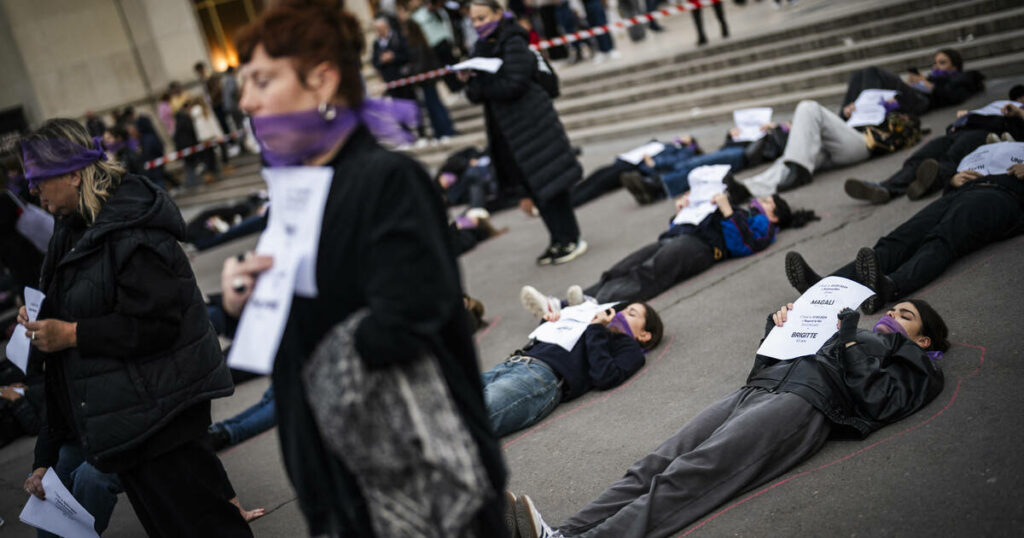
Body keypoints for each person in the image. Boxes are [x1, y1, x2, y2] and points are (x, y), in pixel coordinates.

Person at [227, 1, 508, 535]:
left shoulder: (387, 180)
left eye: (262, 81)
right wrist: (245, 304)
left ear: (323, 81)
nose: (245, 102)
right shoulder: (295, 194)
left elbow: (403, 322)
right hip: (338, 491)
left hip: (424, 491)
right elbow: (286, 346)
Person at [511, 298, 949, 538]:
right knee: (654, 465)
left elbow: (880, 400)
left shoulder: (914, 361)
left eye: (904, 315)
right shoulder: (857, 332)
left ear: (923, 337)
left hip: (802, 405)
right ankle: (562, 534)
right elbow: (765, 365)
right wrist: (778, 330)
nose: (891, 315)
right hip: (758, 389)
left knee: (693, 473)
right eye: (892, 310)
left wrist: (851, 342)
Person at [16, 119, 250, 536]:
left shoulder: (130, 224)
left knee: (205, 526)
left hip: (163, 414)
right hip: (127, 422)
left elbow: (157, 324)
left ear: (73, 172)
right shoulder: (69, 230)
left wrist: (70, 333)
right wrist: (39, 319)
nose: (32, 190)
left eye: (38, 179)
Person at [787, 153, 1024, 313]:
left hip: (1004, 196)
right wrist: (952, 178)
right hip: (964, 190)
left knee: (943, 238)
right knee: (898, 240)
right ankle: (823, 290)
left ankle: (890, 286)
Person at [464, 0, 588, 264]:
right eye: (474, 20)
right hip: (510, 131)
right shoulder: (481, 48)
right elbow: (474, 94)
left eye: (482, 17)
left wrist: (483, 83)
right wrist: (472, 80)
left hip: (534, 125)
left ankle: (571, 238)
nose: (478, 24)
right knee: (535, 187)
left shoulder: (513, 40)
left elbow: (513, 84)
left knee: (552, 184)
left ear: (498, 14)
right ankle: (557, 240)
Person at [583, 187, 817, 304]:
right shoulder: (745, 210)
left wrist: (727, 210)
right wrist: (683, 212)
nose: (760, 201)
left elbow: (745, 245)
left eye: (767, 201)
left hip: (702, 247)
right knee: (625, 265)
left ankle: (598, 304)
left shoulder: (764, 224)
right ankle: (580, 299)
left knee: (651, 272)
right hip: (676, 237)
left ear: (775, 216)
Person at [479, 292, 663, 437]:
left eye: (631, 314)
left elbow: (606, 376)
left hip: (540, 377)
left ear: (644, 335)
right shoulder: (591, 326)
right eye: (623, 309)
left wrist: (596, 329)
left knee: (476, 414)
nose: (620, 314)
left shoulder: (626, 345)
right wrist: (551, 321)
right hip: (513, 363)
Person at [844, 85, 1024, 203]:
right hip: (960, 129)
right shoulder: (999, 104)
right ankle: (885, 188)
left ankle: (931, 181)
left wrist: (1019, 114)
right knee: (921, 157)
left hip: (984, 133)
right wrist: (967, 115)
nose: (1019, 100)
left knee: (952, 158)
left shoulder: (1017, 111)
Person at [739, 99, 922, 195]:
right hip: (840, 140)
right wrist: (847, 111)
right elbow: (840, 122)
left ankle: (799, 171)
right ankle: (747, 189)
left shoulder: (896, 115)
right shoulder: (866, 102)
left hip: (861, 143)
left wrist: (893, 113)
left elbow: (902, 133)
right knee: (796, 153)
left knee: (808, 107)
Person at [840, 49, 984, 119]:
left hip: (923, 101)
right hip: (912, 95)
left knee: (873, 71)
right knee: (858, 74)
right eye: (935, 63)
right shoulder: (932, 77)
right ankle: (846, 114)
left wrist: (927, 84)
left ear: (955, 66)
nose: (936, 66)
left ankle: (863, 111)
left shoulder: (960, 78)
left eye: (942, 63)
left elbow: (953, 96)